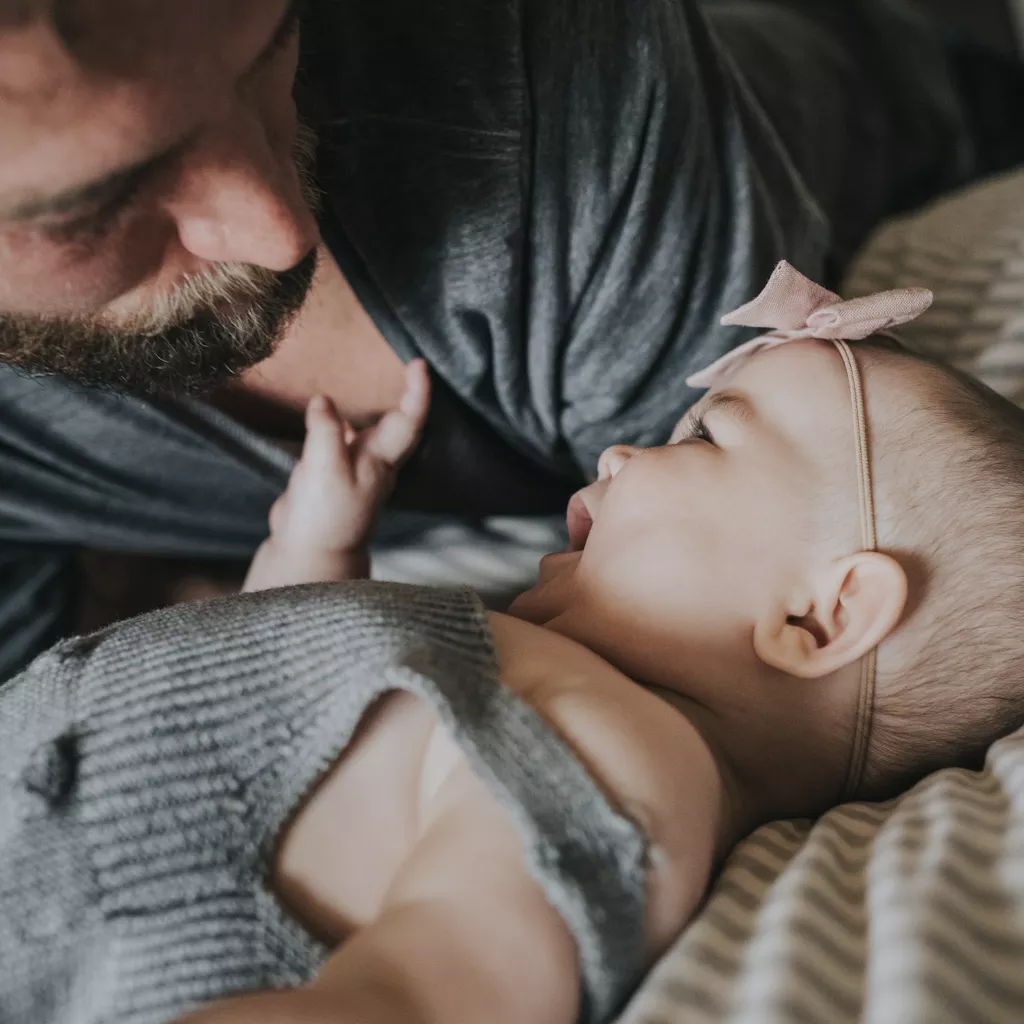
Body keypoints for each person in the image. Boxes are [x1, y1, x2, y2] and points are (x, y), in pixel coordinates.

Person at [4, 264, 1024, 1024]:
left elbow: (417, 993)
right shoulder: (548, 679)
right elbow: (289, 718)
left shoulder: (621, 767)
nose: (620, 451)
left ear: (820, 617)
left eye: (706, 438)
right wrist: (316, 547)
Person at [1, 0, 1023, 683]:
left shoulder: (535, 59)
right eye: (92, 206)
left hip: (900, 69)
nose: (280, 234)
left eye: (272, 53)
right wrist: (316, 554)